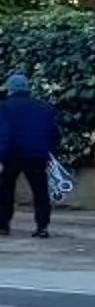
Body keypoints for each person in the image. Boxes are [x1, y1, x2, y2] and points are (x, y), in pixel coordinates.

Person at [0, 70, 59, 239]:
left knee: (5, 189)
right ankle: (42, 226)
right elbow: (54, 132)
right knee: (40, 190)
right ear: (28, 88)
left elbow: (3, 133)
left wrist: (0, 157)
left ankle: (3, 225)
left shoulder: (3, 107)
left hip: (12, 154)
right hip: (37, 154)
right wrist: (50, 153)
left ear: (9, 89)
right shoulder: (43, 107)